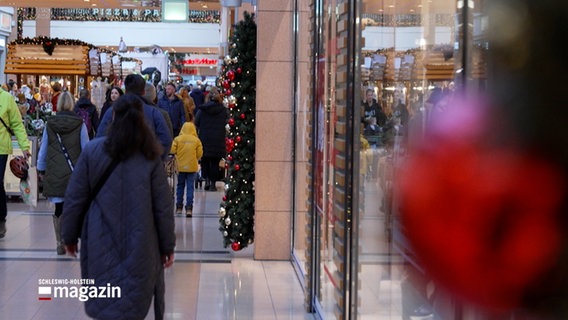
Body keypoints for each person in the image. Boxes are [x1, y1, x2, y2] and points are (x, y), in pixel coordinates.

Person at [61, 93, 175, 320]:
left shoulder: (93, 151)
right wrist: (167, 246)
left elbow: (75, 198)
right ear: (141, 120)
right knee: (132, 306)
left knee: (105, 304)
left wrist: (69, 236)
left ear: (113, 116)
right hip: (141, 245)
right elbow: (163, 207)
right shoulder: (150, 156)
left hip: (99, 240)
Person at [37, 91, 89, 254]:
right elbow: (86, 148)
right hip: (75, 173)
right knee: (74, 207)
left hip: (55, 171)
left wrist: (41, 168)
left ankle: (60, 242)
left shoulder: (50, 123)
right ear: (72, 104)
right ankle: (71, 241)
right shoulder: (79, 123)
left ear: (58, 104)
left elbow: (44, 148)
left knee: (59, 207)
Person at [97, 74, 172, 159]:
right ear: (143, 92)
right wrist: (154, 162)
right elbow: (166, 140)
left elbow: (100, 138)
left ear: (125, 90)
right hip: (145, 166)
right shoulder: (154, 112)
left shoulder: (112, 111)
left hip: (117, 165)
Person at [0, 86, 32, 239]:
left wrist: (25, 147)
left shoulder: (6, 98)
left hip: (1, 149)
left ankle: (0, 219)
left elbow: (17, 124)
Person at [194, 87, 227, 191]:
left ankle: (207, 179)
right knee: (215, 161)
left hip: (205, 138)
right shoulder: (223, 110)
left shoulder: (202, 110)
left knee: (205, 160)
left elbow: (196, 122)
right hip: (218, 139)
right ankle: (213, 183)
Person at [170, 121, 203, 217]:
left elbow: (172, 150)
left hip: (180, 167)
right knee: (190, 187)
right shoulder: (196, 141)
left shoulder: (177, 139)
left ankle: (179, 207)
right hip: (192, 167)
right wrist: (195, 159)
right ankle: (189, 208)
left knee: (180, 186)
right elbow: (200, 153)